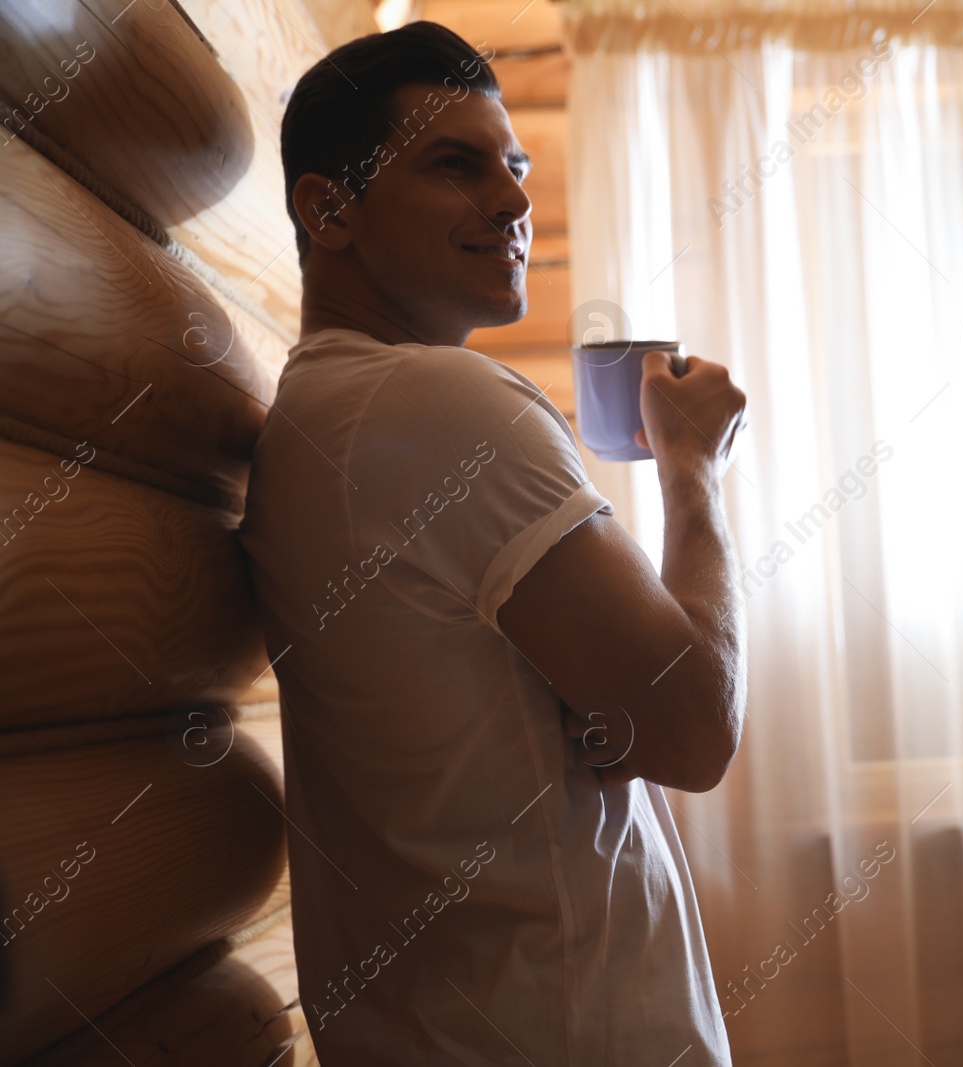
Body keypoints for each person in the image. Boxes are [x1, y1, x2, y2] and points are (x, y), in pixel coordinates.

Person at [239, 21, 747, 1064]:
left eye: (513, 166)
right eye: (456, 165)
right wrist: (693, 470)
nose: (516, 201)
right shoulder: (438, 400)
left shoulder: (315, 416)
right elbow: (694, 725)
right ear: (326, 208)